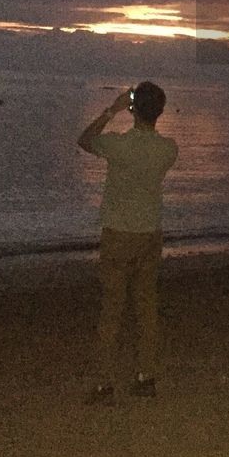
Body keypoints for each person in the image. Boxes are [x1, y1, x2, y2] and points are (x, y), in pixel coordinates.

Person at [77, 82, 179, 406]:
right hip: (149, 234)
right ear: (160, 111)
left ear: (134, 109)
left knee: (113, 310)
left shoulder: (121, 147)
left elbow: (85, 139)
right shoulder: (168, 150)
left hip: (119, 234)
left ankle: (104, 382)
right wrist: (133, 108)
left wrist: (113, 109)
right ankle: (145, 377)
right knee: (146, 308)